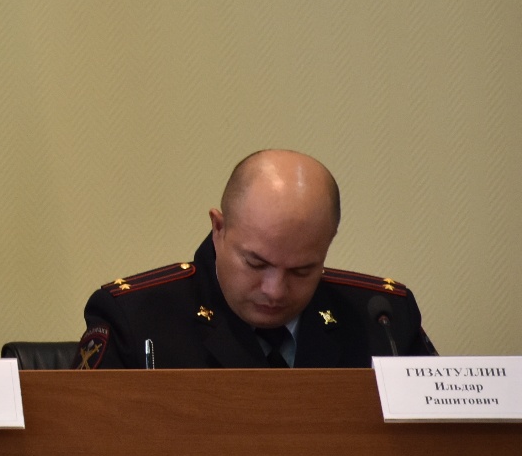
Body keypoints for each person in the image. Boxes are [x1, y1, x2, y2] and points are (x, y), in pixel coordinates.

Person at [74, 149, 435, 369]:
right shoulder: (138, 319)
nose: (275, 291)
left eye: (301, 270)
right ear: (219, 229)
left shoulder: (384, 320)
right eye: (256, 264)